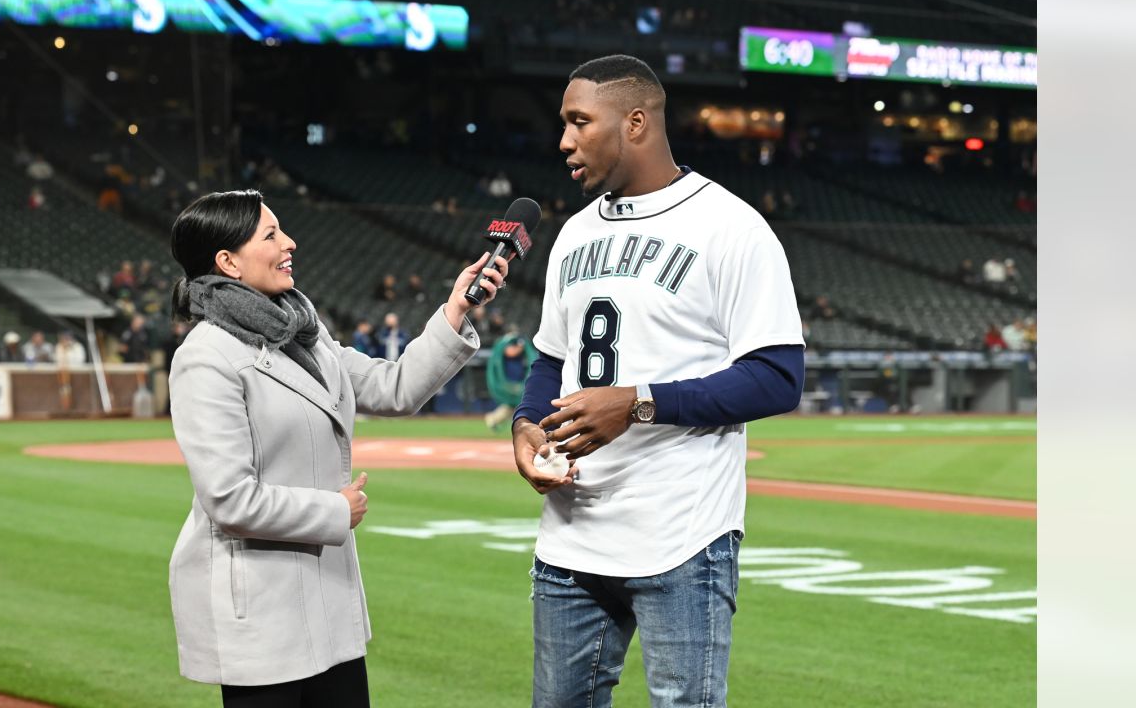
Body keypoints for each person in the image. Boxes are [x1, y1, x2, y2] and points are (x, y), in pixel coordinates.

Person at [511, 55, 805, 708]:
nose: (564, 141)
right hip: (571, 534)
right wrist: (525, 427)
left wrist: (640, 404)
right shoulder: (574, 234)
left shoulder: (730, 227)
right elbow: (550, 361)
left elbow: (778, 378)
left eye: (579, 122)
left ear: (636, 122)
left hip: (681, 536)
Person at [165, 189, 507, 707]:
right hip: (261, 611)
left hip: (328, 601)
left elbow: (393, 388)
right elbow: (228, 498)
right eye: (271, 234)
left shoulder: (305, 333)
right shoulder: (206, 357)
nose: (290, 243)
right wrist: (333, 509)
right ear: (227, 261)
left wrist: (456, 309)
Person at [485, 334, 537, 430]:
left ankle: (495, 419)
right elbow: (510, 352)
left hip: (519, 381)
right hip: (509, 382)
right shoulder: (507, 346)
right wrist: (519, 346)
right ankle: (494, 419)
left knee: (515, 405)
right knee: (512, 404)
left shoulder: (523, 353)